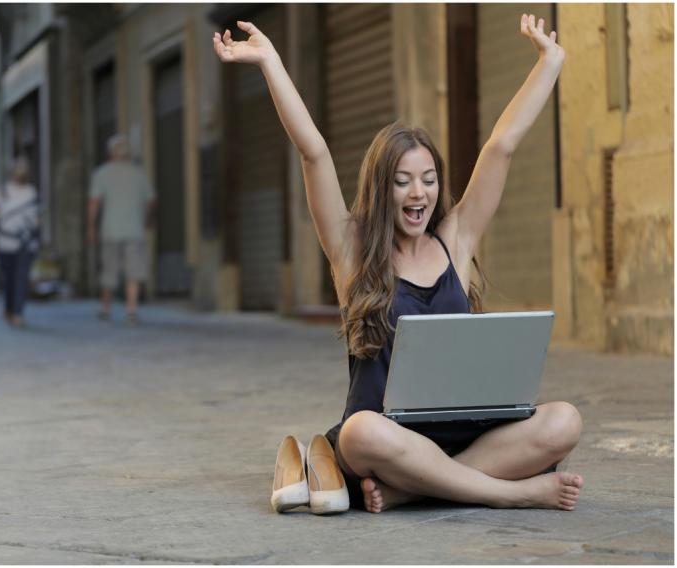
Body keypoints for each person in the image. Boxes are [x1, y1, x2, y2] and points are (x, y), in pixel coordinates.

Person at [214, 14, 584, 513]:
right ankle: (510, 492)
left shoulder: (456, 241)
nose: (419, 193)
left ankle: (415, 489)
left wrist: (549, 63)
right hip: (389, 440)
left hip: (465, 435)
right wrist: (270, 62)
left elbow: (501, 146)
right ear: (380, 187)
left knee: (565, 420)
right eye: (403, 180)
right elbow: (314, 152)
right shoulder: (353, 252)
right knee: (362, 431)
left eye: (429, 179)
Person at [87, 135, 156, 324]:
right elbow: (151, 202)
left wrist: (91, 226)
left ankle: (106, 308)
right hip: (135, 229)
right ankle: (131, 310)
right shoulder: (139, 173)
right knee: (133, 270)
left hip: (110, 229)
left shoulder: (102, 173)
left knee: (109, 268)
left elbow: (94, 203)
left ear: (110, 153)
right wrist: (148, 221)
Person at [0, 156, 40, 328]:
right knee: (17, 279)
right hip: (23, 241)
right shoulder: (31, 191)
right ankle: (13, 311)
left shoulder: (1, 191)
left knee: (12, 279)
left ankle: (14, 312)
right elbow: (37, 220)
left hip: (6, 241)